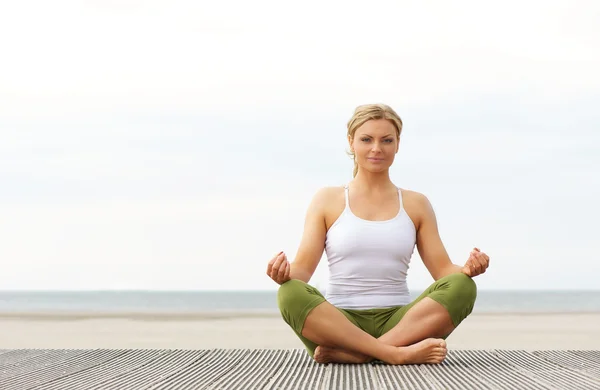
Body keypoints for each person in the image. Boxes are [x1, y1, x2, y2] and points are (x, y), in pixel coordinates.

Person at [266, 103, 490, 365]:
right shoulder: (327, 199)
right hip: (339, 323)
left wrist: (469, 269)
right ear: (351, 142)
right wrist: (281, 274)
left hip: (401, 323)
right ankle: (394, 354)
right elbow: (301, 271)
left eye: (386, 140)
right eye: (366, 139)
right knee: (289, 293)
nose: (376, 148)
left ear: (397, 144)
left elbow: (443, 270)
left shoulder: (416, 203)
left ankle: (359, 354)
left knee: (463, 287)